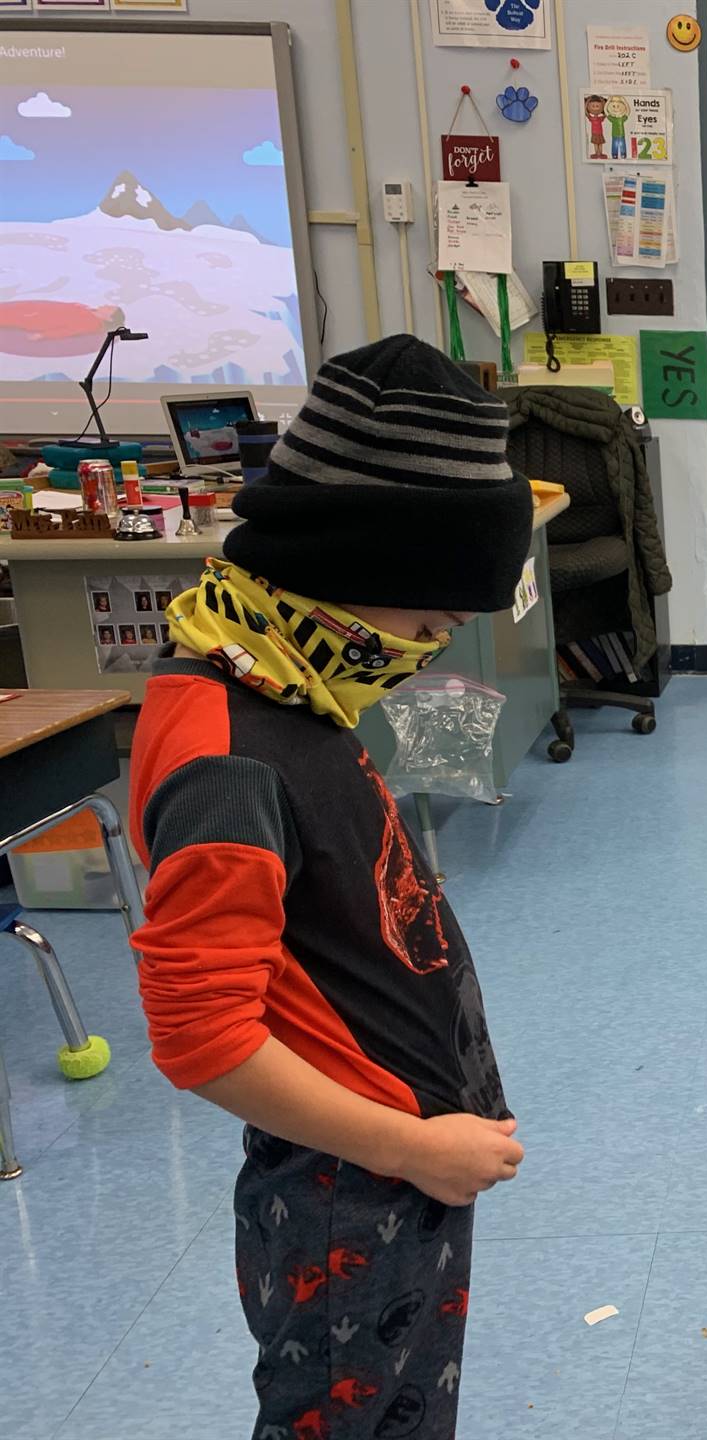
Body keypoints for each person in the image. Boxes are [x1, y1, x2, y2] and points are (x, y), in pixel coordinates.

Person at [130, 335, 532, 1440]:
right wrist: (410, 1147)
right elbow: (201, 1037)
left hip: (403, 1171)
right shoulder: (229, 757)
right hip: (345, 1190)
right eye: (422, 628)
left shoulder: (289, 680)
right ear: (343, 568)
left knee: (403, 1409)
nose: (428, 652)